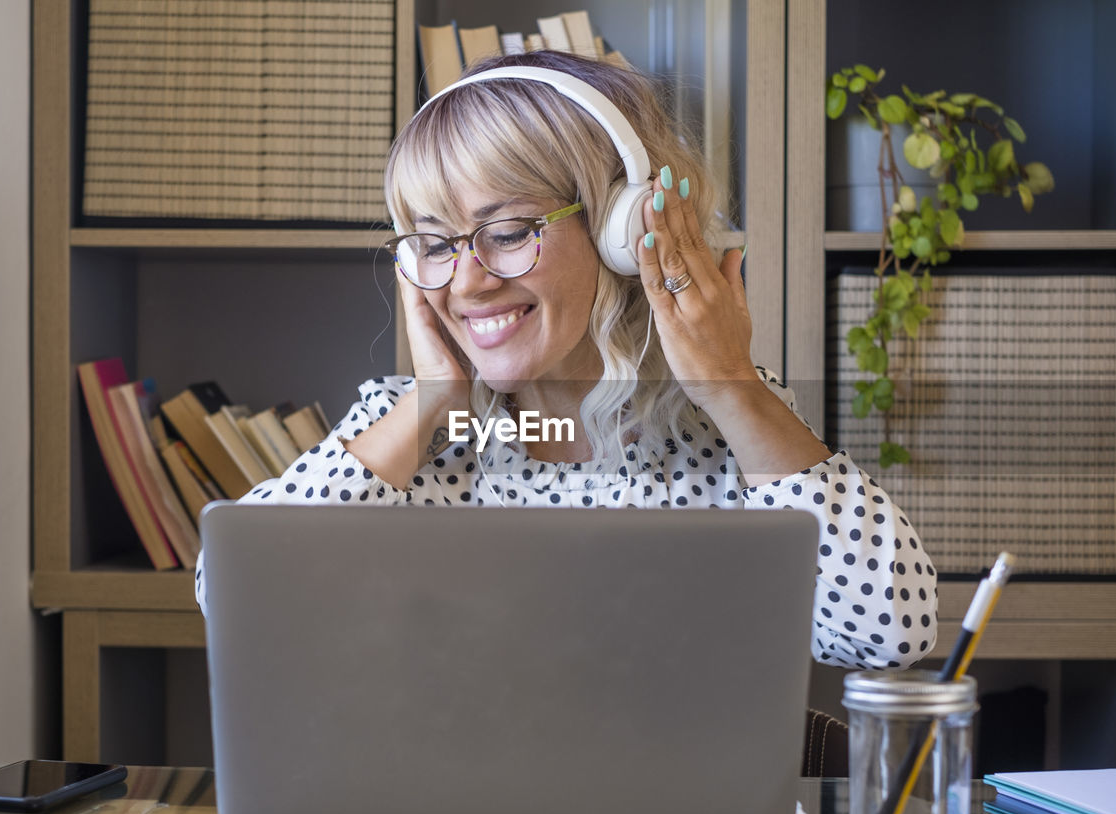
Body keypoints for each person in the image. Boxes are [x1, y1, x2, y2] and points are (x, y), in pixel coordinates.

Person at [195, 50, 937, 670]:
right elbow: (233, 594)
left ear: (624, 227)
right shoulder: (419, 434)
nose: (468, 279)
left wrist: (736, 388)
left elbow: (889, 632)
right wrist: (428, 404)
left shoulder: (725, 430)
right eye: (435, 242)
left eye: (509, 230)